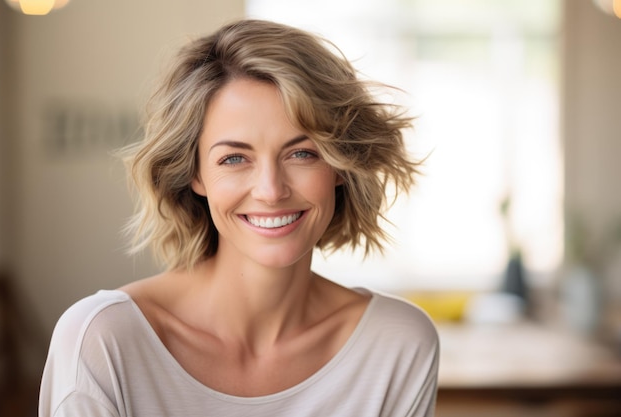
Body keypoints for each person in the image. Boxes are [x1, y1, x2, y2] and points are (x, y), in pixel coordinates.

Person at [38, 19, 439, 417]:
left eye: (302, 153)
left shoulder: (397, 345)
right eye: (234, 158)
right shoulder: (102, 341)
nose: (271, 190)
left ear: (339, 165)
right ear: (195, 174)